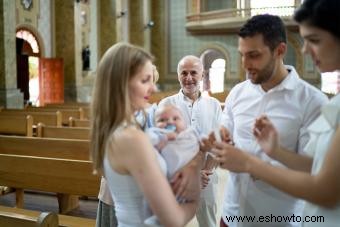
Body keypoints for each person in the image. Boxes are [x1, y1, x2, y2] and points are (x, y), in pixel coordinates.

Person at [213, 1, 340, 226]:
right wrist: (222, 141)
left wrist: (250, 163)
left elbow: (319, 176)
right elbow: (226, 129)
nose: (245, 64)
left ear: (280, 50)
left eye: (253, 55)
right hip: (232, 214)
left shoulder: (313, 101)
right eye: (242, 55)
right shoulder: (237, 93)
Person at [90, 43, 200, 227]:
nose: (153, 88)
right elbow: (172, 220)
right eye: (144, 80)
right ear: (122, 84)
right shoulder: (133, 139)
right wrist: (195, 201)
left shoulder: (114, 129)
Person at [159, 55, 222, 227]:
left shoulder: (214, 105)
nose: (188, 78)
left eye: (193, 73)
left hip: (207, 178)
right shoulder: (166, 104)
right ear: (178, 75)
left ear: (202, 75)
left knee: (208, 222)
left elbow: (219, 143)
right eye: (183, 73)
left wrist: (205, 173)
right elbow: (164, 147)